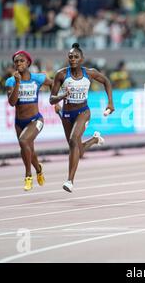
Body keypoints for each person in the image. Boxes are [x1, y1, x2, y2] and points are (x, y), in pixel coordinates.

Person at [50, 43, 114, 193]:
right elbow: (51, 99)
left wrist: (110, 102)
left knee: (73, 140)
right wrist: (61, 96)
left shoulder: (89, 73)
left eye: (76, 56)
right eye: (70, 56)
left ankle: (69, 181)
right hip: (67, 114)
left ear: (82, 58)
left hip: (83, 112)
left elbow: (106, 82)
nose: (72, 59)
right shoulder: (61, 74)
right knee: (77, 150)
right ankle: (94, 139)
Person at [6, 50, 53, 191]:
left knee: (23, 141)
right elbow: (12, 102)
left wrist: (55, 102)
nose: (18, 63)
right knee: (28, 150)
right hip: (19, 122)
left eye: (21, 61)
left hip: (36, 119)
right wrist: (18, 84)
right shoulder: (11, 81)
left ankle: (28, 176)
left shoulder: (37, 78)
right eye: (16, 61)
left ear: (28, 63)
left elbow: (53, 83)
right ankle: (39, 169)